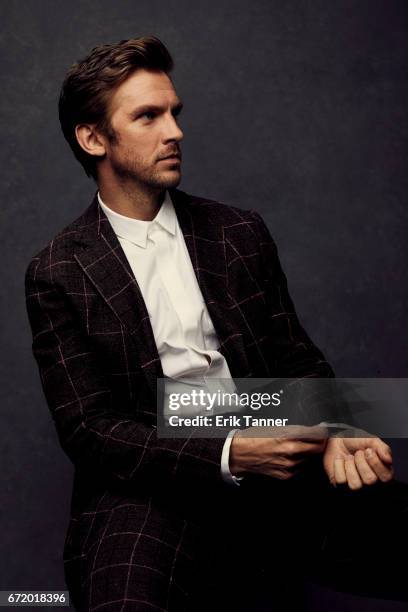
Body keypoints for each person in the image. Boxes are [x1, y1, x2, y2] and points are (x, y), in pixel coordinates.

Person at [25, 37, 407, 611]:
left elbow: (294, 357)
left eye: (175, 112)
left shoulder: (238, 231)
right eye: (148, 116)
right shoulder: (58, 270)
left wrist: (334, 424)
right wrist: (229, 451)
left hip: (276, 450)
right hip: (151, 486)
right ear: (93, 137)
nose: (174, 131)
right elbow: (89, 429)